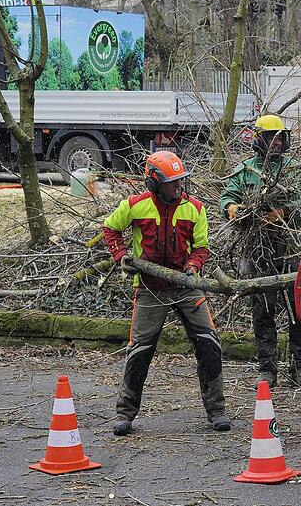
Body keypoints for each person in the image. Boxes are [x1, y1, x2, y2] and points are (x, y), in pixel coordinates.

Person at [103, 151, 230, 436]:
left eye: (181, 181)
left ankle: (216, 409)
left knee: (209, 342)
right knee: (140, 349)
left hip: (186, 287)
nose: (179, 187)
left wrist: (194, 265)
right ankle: (125, 413)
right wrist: (121, 256)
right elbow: (110, 229)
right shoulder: (135, 205)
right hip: (149, 288)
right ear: (154, 182)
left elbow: (202, 247)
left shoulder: (194, 208)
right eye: (173, 183)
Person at [219, 114, 301, 388]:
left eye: (280, 137)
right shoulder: (245, 170)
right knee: (262, 309)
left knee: (300, 307)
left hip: (290, 247)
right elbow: (227, 197)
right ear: (258, 140)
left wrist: (283, 212)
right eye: (271, 137)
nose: (276, 142)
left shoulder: (293, 169)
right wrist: (232, 209)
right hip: (257, 251)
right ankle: (267, 368)